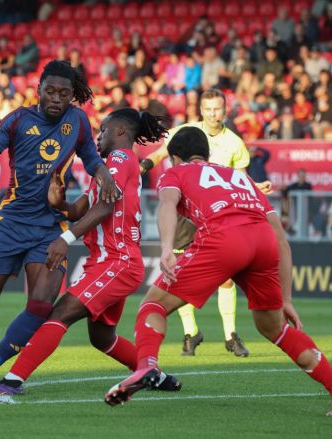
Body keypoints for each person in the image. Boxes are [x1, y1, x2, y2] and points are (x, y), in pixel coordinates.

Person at [104, 127, 332, 414]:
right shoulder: (239, 177)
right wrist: (286, 299)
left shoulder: (176, 172)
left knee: (153, 304)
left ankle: (146, 367)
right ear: (207, 154)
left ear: (175, 158)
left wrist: (165, 248)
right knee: (274, 327)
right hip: (263, 242)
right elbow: (281, 240)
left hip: (224, 239)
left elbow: (167, 204)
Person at [0, 60, 118, 390]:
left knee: (42, 304)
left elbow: (93, 159)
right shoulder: (17, 120)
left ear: (72, 96)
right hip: (11, 222)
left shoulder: (78, 121)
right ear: (38, 90)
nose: (57, 98)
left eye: (64, 93)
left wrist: (105, 176)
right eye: (50, 91)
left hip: (49, 228)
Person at [0, 109, 181, 397]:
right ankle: (153, 374)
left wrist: (64, 239)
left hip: (116, 261)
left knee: (60, 313)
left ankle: (11, 382)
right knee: (102, 338)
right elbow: (83, 208)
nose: (98, 136)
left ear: (119, 131)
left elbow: (106, 206)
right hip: (109, 261)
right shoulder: (107, 169)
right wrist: (61, 205)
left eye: (103, 130)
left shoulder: (120, 158)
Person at [140, 89, 271, 357]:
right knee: (178, 272)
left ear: (225, 110)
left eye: (218, 109)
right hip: (185, 211)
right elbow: (161, 154)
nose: (213, 114)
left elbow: (239, 179)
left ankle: (230, 335)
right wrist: (140, 167)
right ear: (201, 110)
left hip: (216, 214)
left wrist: (256, 187)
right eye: (209, 109)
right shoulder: (186, 132)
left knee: (226, 280)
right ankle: (190, 332)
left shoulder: (234, 143)